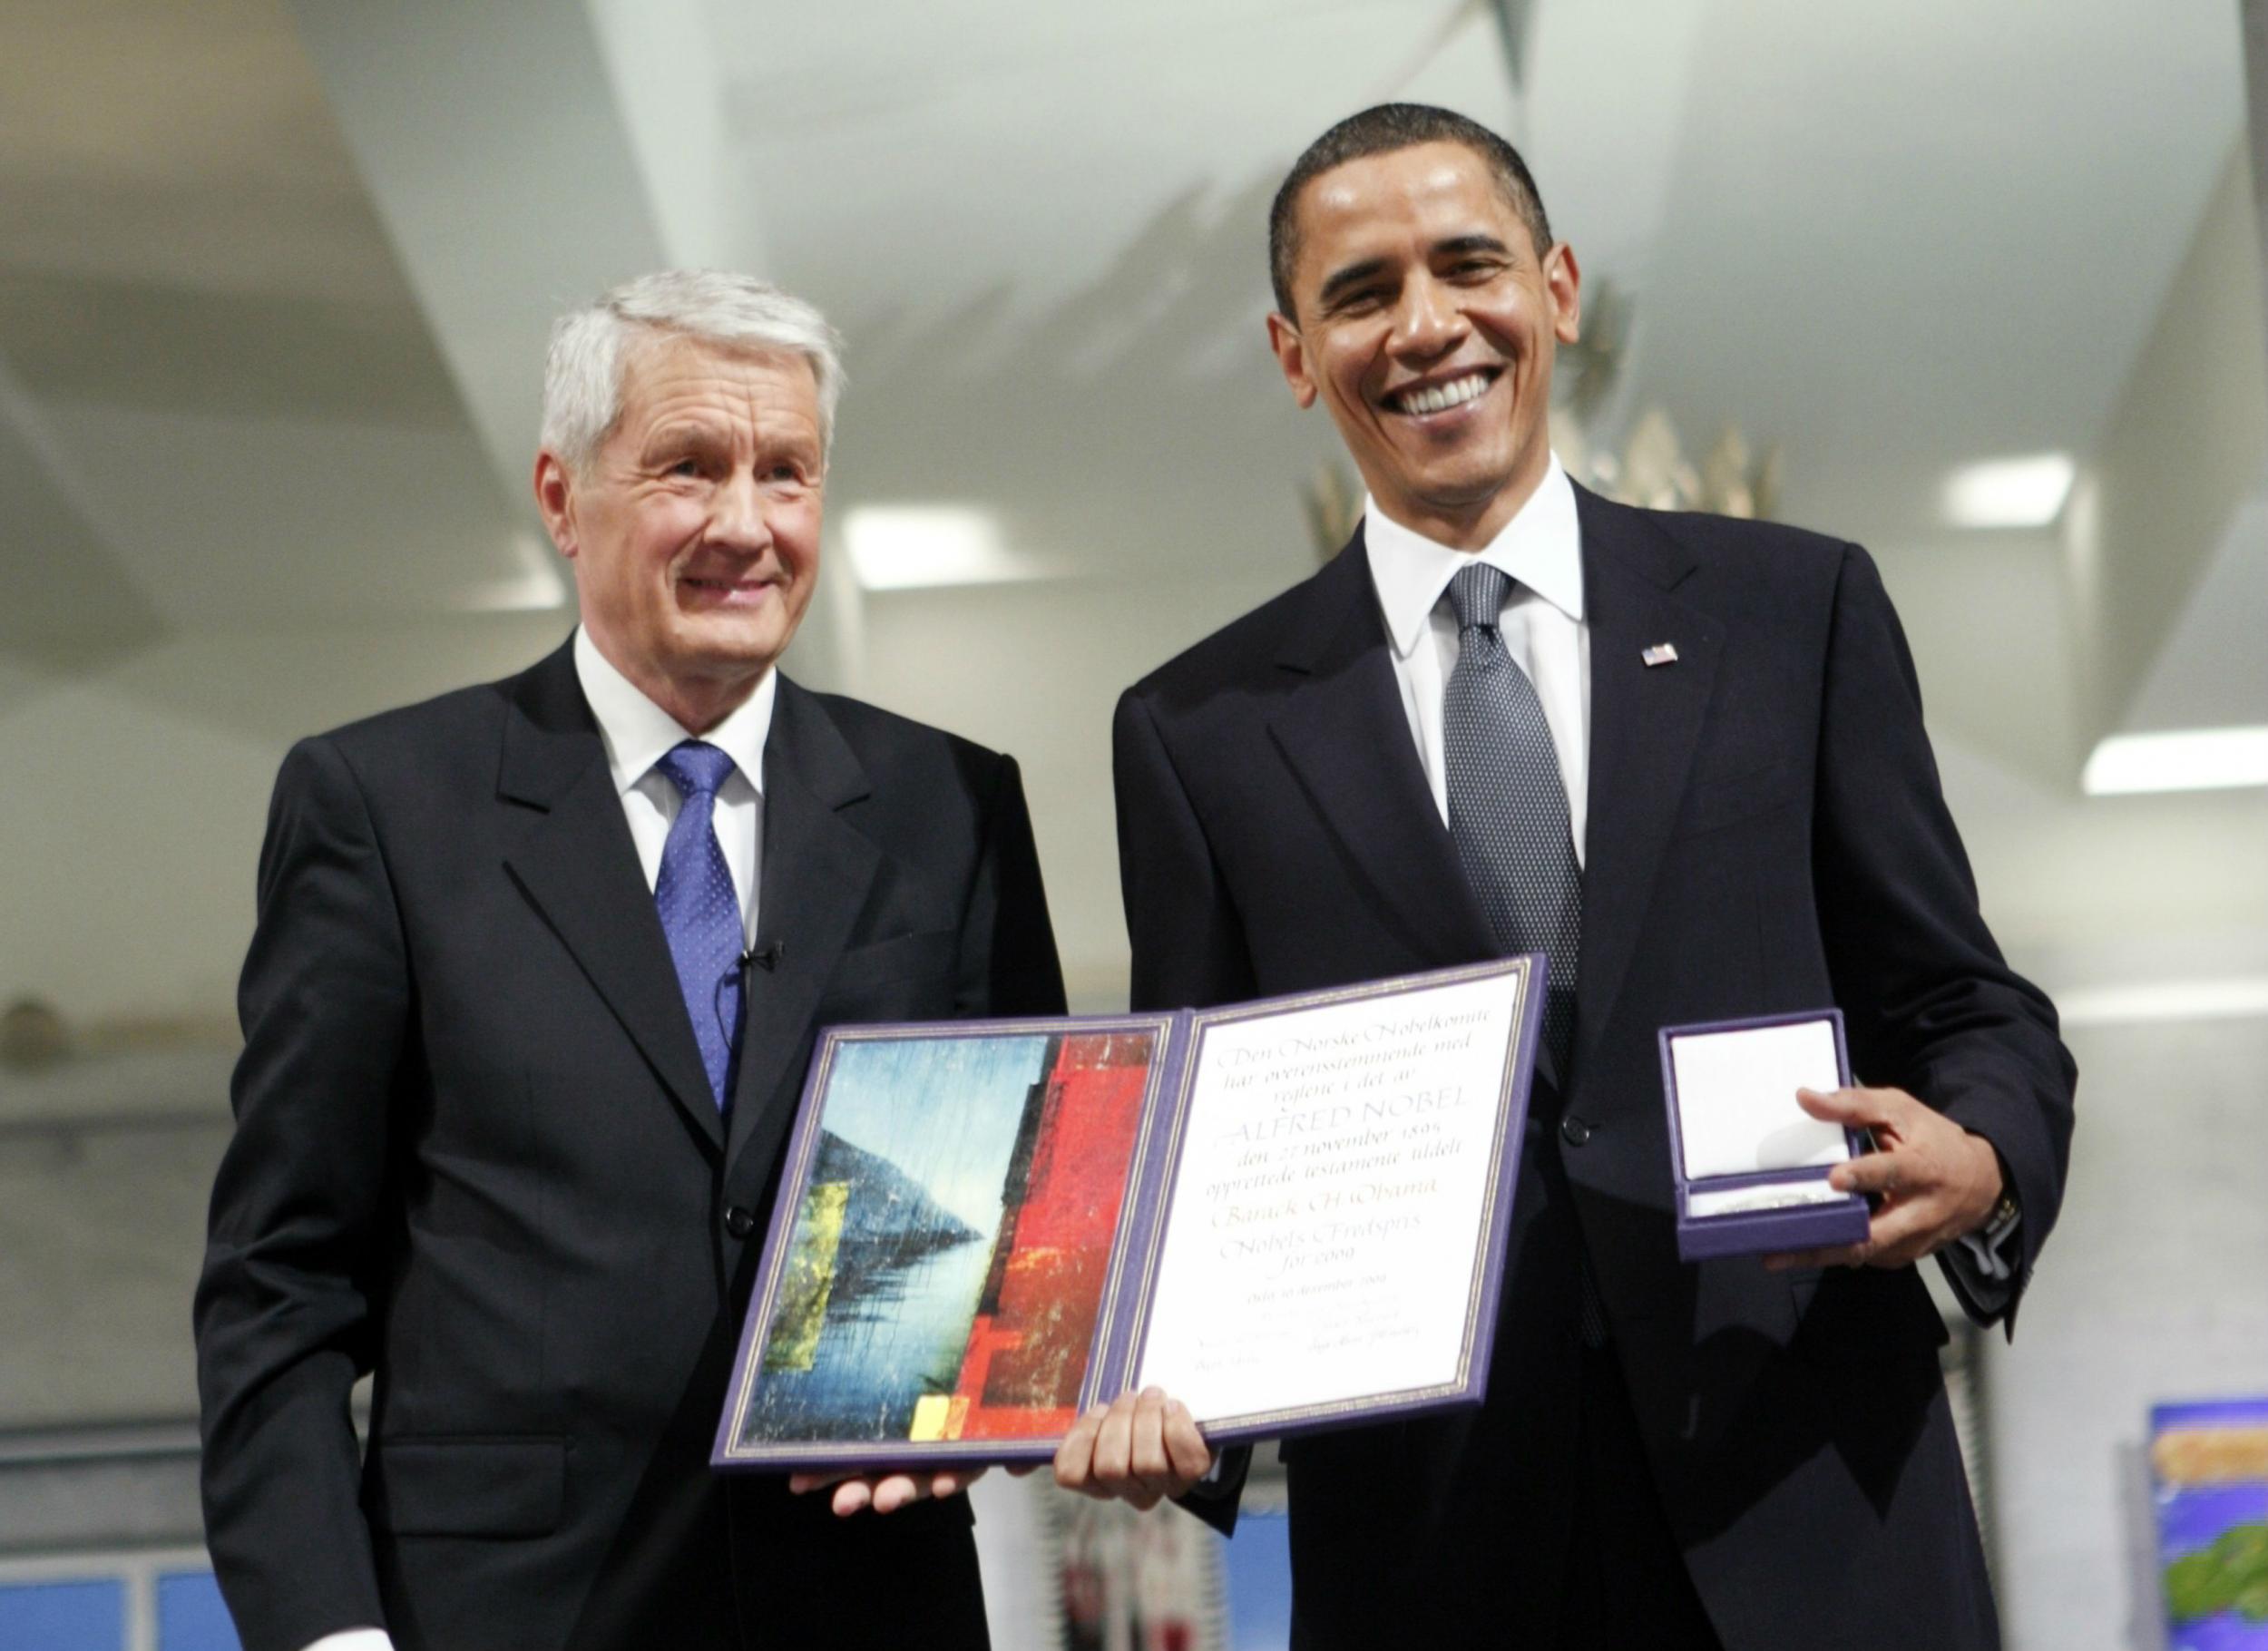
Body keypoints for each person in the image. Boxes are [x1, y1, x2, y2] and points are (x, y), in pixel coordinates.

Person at [1056, 104, 2074, 1649]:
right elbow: (1193, 1152)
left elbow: (1964, 1002)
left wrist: (1984, 1154)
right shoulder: (1197, 732)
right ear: (1292, 352)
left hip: (1812, 1508)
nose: (1426, 327)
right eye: (1360, 292)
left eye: (1470, 265)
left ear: (1560, 290)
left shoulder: (1791, 613)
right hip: (1432, 1552)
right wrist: (1148, 1386)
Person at [195, 270, 1066, 1651]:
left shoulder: (949, 804)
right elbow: (281, 1282)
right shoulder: (383, 805)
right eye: (688, 468)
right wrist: (325, 1633)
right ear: (561, 496)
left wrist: (1029, 1374)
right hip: (510, 1615)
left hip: (867, 1602)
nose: (745, 522)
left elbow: (1030, 1213)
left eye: (787, 472)